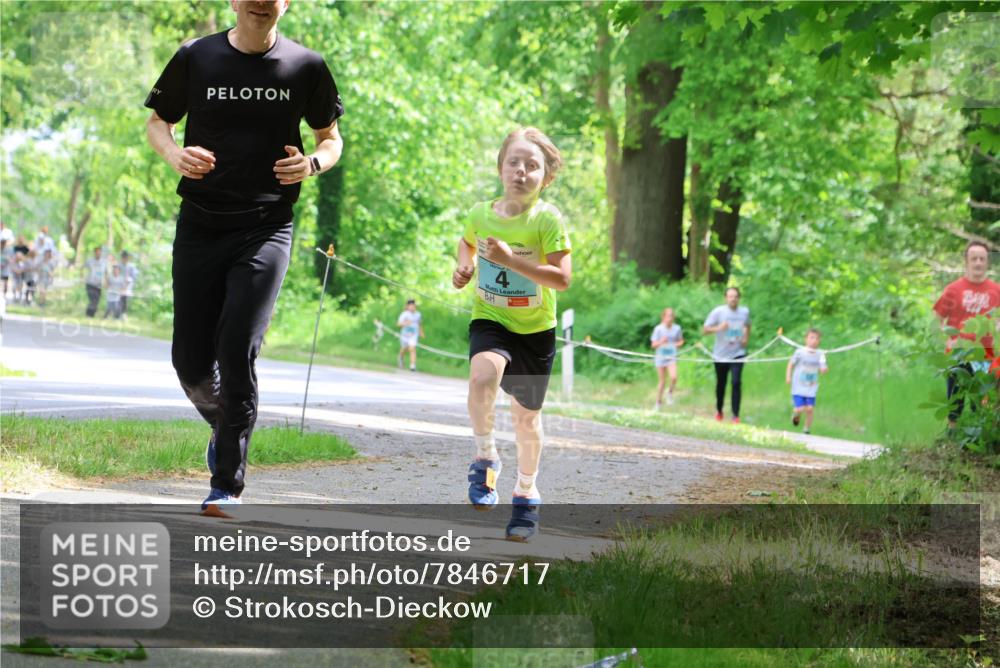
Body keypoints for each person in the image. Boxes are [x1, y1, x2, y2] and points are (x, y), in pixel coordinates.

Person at [145, 0, 344, 516]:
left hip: (266, 227)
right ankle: (225, 420)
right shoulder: (196, 55)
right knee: (190, 363)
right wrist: (175, 156)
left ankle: (226, 483)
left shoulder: (307, 66)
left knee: (237, 349)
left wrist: (313, 164)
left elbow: (330, 138)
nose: (261, 0)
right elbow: (158, 123)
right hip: (200, 224)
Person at [452, 127, 570, 542]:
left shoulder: (547, 219)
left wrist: (510, 261)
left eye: (532, 166)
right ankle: (485, 459)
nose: (521, 171)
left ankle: (526, 492)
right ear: (501, 168)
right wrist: (463, 269)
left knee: (526, 419)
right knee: (482, 376)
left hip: (535, 329)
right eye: (514, 162)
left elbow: (562, 279)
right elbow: (467, 244)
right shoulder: (481, 213)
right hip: (490, 317)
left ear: (546, 177)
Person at [933, 241, 1000, 426]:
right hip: (959, 355)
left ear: (987, 262)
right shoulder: (954, 289)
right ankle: (951, 442)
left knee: (984, 406)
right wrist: (945, 340)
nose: (978, 263)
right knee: (955, 404)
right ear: (966, 262)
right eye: (974, 259)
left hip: (988, 357)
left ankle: (982, 447)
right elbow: (936, 318)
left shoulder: (997, 290)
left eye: (982, 259)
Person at [703, 286, 751, 423]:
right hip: (720, 355)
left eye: (735, 296)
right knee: (721, 383)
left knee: (736, 382)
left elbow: (748, 325)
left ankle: (736, 415)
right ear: (726, 298)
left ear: (739, 298)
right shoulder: (718, 312)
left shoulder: (744, 312)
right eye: (730, 296)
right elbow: (705, 330)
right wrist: (719, 328)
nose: (733, 299)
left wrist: (746, 338)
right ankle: (719, 410)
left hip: (738, 353)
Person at [785, 328, 828, 435]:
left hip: (811, 386)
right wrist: (788, 377)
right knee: (800, 409)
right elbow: (791, 364)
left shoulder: (820, 354)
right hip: (799, 386)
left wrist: (824, 369)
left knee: (810, 409)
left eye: (817, 338)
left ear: (819, 341)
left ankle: (806, 429)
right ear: (806, 339)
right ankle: (796, 414)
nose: (814, 340)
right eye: (811, 338)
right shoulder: (800, 352)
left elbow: (823, 367)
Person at [651, 307, 684, 409]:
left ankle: (669, 394)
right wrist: (661, 342)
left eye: (672, 316)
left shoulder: (677, 328)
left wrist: (675, 344)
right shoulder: (658, 329)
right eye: (668, 316)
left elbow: (681, 341)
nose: (670, 318)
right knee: (662, 381)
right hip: (660, 357)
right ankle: (658, 402)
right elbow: (653, 345)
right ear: (663, 317)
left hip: (671, 357)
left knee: (674, 377)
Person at [396, 299, 424, 371]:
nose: (412, 307)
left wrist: (421, 332)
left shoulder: (418, 314)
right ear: (407, 306)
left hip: (414, 334)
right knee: (404, 348)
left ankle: (412, 365)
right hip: (405, 335)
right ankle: (401, 357)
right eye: (410, 306)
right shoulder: (404, 314)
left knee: (412, 348)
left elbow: (419, 323)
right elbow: (398, 324)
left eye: (413, 306)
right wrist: (405, 323)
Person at [82, 246, 105, 317]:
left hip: (99, 285)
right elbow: (82, 267)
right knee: (92, 299)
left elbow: (106, 272)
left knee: (96, 301)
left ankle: (91, 315)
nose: (98, 254)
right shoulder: (90, 261)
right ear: (95, 253)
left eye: (99, 252)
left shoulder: (104, 262)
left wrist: (106, 282)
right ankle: (88, 314)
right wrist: (82, 276)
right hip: (90, 283)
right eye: (97, 252)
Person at [118, 250, 139, 317]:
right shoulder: (118, 265)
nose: (125, 259)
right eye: (123, 257)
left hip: (127, 287)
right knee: (118, 300)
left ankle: (124, 314)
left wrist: (129, 280)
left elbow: (135, 276)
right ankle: (118, 314)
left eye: (126, 257)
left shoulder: (131, 266)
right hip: (119, 286)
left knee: (125, 300)